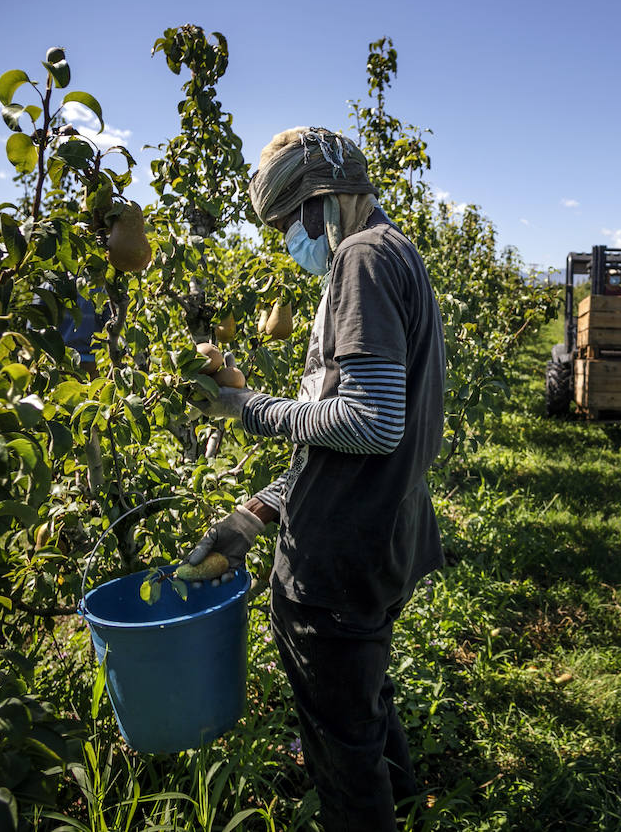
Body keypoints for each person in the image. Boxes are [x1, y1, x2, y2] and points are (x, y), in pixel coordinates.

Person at [186, 127, 446, 829]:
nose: (284, 242)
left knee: (341, 754)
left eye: (284, 225)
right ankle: (406, 805)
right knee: (363, 705)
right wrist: (255, 515)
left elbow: (369, 422)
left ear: (321, 203)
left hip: (340, 559)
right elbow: (338, 436)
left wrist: (245, 408)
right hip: (381, 538)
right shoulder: (392, 252)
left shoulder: (361, 260)